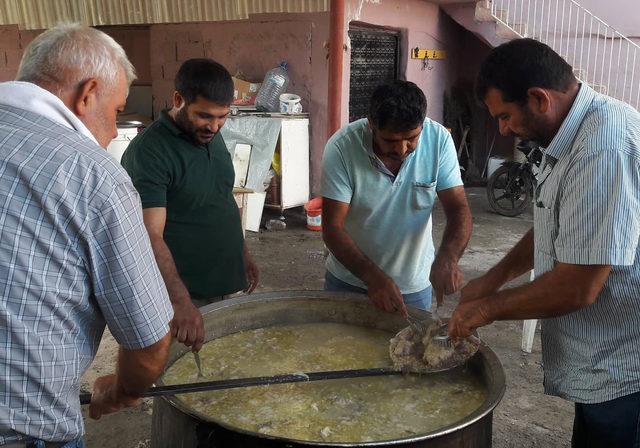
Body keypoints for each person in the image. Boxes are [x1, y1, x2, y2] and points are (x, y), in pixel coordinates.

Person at [449, 38, 640, 447]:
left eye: (505, 116)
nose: (502, 129)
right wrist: (495, 277)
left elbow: (578, 285)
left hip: (626, 370)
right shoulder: (569, 138)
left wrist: (487, 309)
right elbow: (555, 223)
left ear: (538, 98)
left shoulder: (601, 147)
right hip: (598, 363)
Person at [0, 24, 174, 447]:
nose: (115, 131)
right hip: (23, 431)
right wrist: (121, 391)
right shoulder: (94, 175)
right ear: (87, 93)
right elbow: (149, 345)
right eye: (116, 112)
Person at [121, 58, 259, 353]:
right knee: (184, 375)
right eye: (204, 116)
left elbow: (222, 196)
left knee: (227, 365)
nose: (214, 126)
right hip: (186, 294)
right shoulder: (150, 152)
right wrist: (179, 301)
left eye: (223, 116)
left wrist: (242, 253)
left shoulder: (210, 137)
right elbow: (148, 235)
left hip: (225, 280)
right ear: (178, 99)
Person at [321, 80, 472, 316]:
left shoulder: (439, 140)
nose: (402, 149)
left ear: (422, 125)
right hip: (348, 281)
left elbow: (458, 208)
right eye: (390, 141)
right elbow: (332, 228)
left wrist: (448, 257)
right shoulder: (342, 147)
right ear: (371, 125)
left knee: (407, 350)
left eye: (412, 138)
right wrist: (374, 278)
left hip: (413, 285)